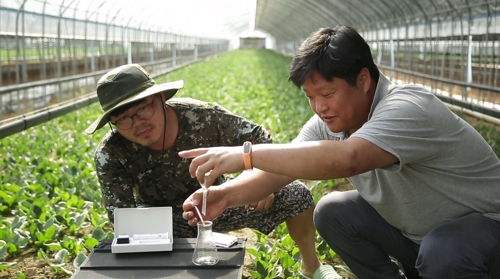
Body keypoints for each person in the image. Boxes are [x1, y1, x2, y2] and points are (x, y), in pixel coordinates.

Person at [180, 24, 500, 279]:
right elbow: (281, 170)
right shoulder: (330, 122)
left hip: (484, 231)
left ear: (362, 79)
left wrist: (245, 155)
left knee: (443, 252)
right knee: (333, 211)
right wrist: (225, 195)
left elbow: (349, 158)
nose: (319, 107)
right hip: (417, 236)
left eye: (328, 93)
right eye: (310, 97)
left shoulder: (407, 107)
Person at [85, 63, 321, 278]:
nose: (138, 123)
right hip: (163, 221)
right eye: (124, 119)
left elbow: (260, 139)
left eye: (143, 110)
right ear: (112, 123)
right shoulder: (111, 154)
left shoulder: (203, 116)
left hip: (218, 202)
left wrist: (261, 182)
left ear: (160, 98)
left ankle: (311, 266)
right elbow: (125, 221)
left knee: (295, 193)